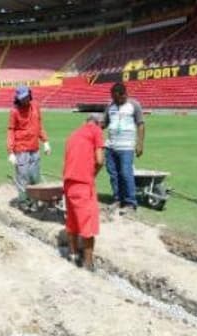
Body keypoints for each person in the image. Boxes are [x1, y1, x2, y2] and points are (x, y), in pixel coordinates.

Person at [62, 113, 105, 271]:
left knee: (72, 221)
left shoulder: (73, 135)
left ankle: (72, 254)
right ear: (98, 123)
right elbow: (100, 160)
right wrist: (92, 174)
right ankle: (88, 264)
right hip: (83, 184)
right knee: (88, 226)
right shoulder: (96, 131)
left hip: (68, 183)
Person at [102, 82, 145, 214]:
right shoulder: (110, 106)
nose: (114, 100)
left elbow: (141, 125)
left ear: (124, 95)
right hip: (110, 147)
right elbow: (105, 123)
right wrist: (92, 128)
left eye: (116, 98)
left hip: (126, 147)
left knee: (126, 174)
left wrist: (140, 144)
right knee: (113, 175)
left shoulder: (134, 105)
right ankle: (117, 199)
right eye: (113, 97)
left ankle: (131, 203)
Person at [7, 85, 51, 208]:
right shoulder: (14, 111)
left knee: (35, 176)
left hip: (34, 147)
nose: (24, 100)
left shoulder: (36, 106)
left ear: (29, 95)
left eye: (26, 97)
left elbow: (39, 125)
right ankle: (23, 202)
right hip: (21, 148)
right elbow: (11, 130)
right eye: (22, 98)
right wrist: (10, 152)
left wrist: (45, 142)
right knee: (23, 176)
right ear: (18, 98)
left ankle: (35, 200)